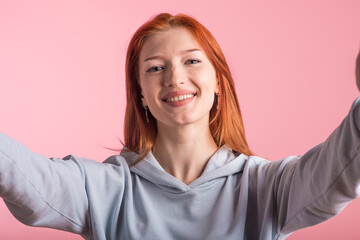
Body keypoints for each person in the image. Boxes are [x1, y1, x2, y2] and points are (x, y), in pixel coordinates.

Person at [0, 12, 360, 240]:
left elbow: (333, 175)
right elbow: (28, 180)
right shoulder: (103, 189)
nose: (175, 77)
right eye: (155, 67)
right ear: (141, 94)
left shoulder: (266, 186)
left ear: (219, 81)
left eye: (191, 61)